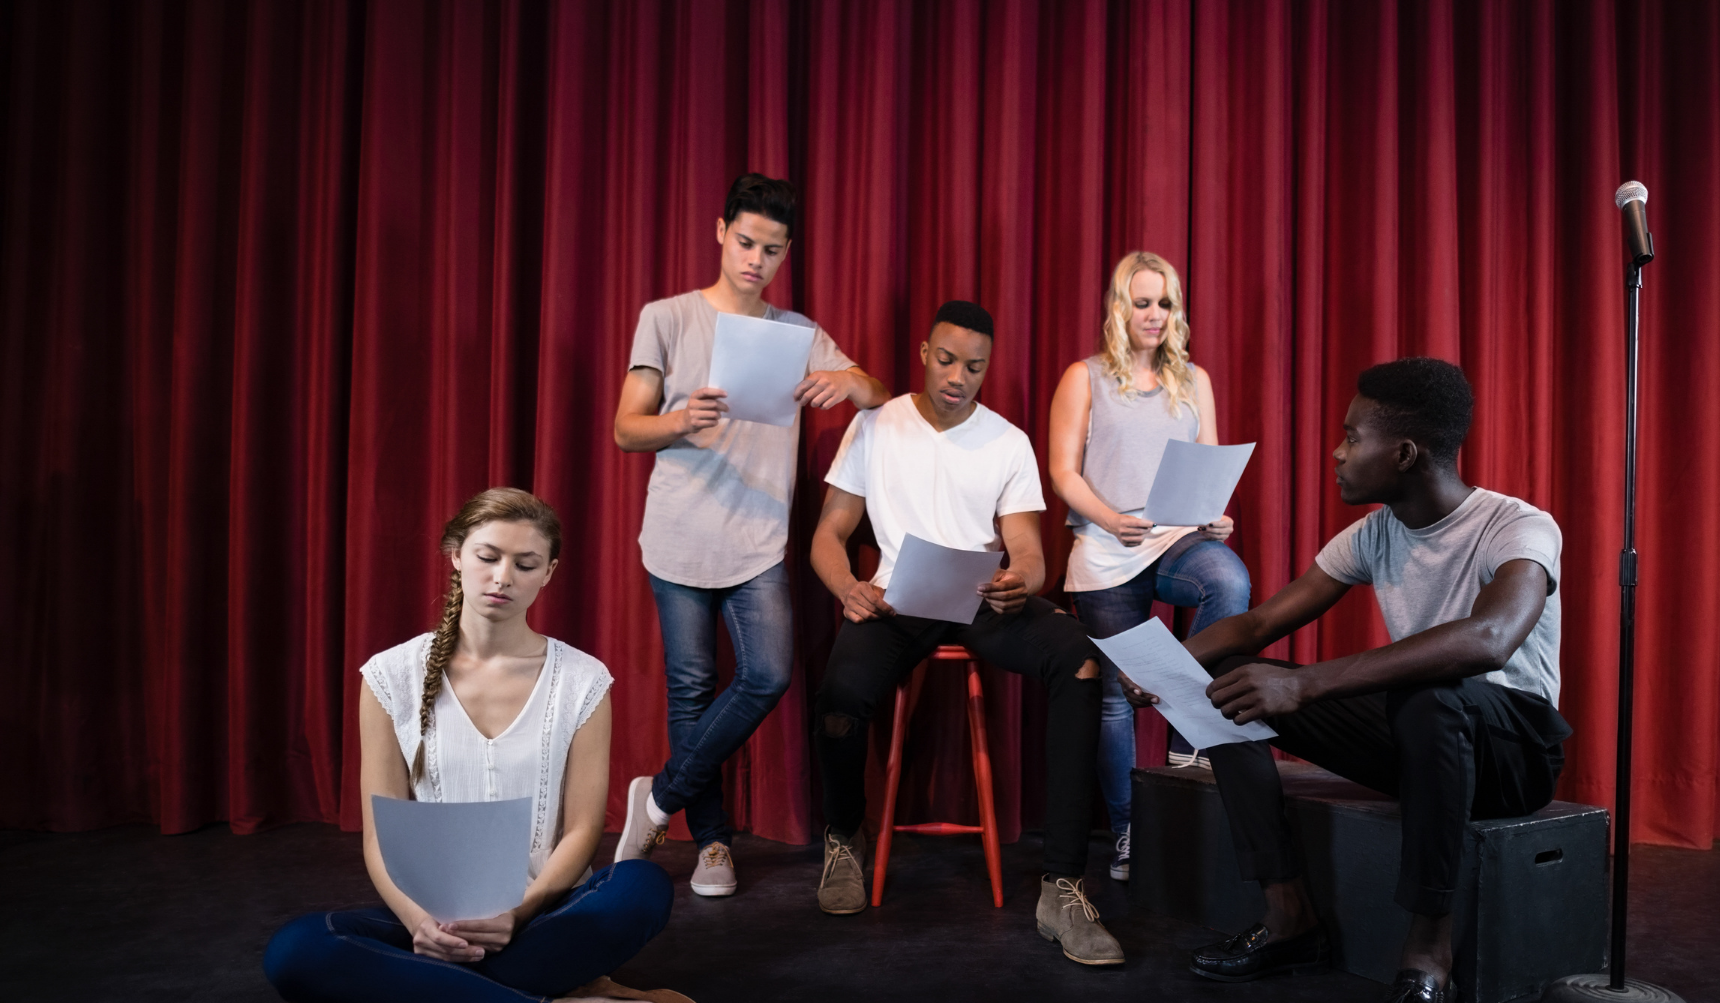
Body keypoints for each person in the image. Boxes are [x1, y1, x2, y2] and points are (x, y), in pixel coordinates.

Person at [1119, 359, 1568, 1003]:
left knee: (1429, 692)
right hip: (1423, 740)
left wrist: (1307, 685)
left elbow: (1489, 637)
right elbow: (1259, 624)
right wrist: (1168, 665)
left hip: (1513, 753)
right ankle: (1287, 913)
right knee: (1224, 677)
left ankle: (1428, 947)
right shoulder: (1373, 533)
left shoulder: (1516, 525)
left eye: (1354, 437)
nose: (1338, 452)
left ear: (1405, 453)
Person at [264, 489, 685, 1003]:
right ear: (457, 556)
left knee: (642, 887)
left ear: (548, 573)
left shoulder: (583, 679)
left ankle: (445, 993)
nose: (503, 577)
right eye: (488, 557)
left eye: (526, 564)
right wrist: (419, 923)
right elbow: (379, 837)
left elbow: (581, 829)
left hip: (546, 913)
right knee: (297, 949)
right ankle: (555, 993)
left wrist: (517, 912)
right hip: (434, 925)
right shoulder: (389, 675)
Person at [808, 300, 1124, 966]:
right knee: (841, 692)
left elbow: (1028, 550)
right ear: (924, 352)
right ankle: (843, 835)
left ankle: (1063, 886)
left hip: (978, 598)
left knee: (1080, 660)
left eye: (974, 366)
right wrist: (848, 587)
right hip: (896, 599)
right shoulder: (878, 423)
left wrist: (1025, 580)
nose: (958, 376)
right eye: (947, 360)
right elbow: (828, 535)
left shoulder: (1008, 441)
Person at [611, 173, 889, 897]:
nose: (754, 259)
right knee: (692, 687)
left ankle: (660, 796)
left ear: (786, 250)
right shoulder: (667, 317)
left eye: (770, 248)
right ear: (719, 231)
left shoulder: (796, 333)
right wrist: (680, 420)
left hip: (759, 538)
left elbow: (879, 394)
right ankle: (712, 844)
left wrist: (853, 385)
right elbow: (625, 426)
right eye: (744, 241)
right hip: (677, 533)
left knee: (767, 673)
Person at [1047, 251, 1251, 882]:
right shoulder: (1084, 377)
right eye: (1143, 302)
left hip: (1172, 541)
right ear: (1119, 307)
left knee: (1228, 577)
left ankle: (1190, 749)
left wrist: (1216, 518)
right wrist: (1109, 518)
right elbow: (1060, 472)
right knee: (1114, 698)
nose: (1155, 314)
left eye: (1165, 302)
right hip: (1106, 551)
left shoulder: (1195, 381)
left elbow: (1209, 474)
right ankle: (1133, 831)